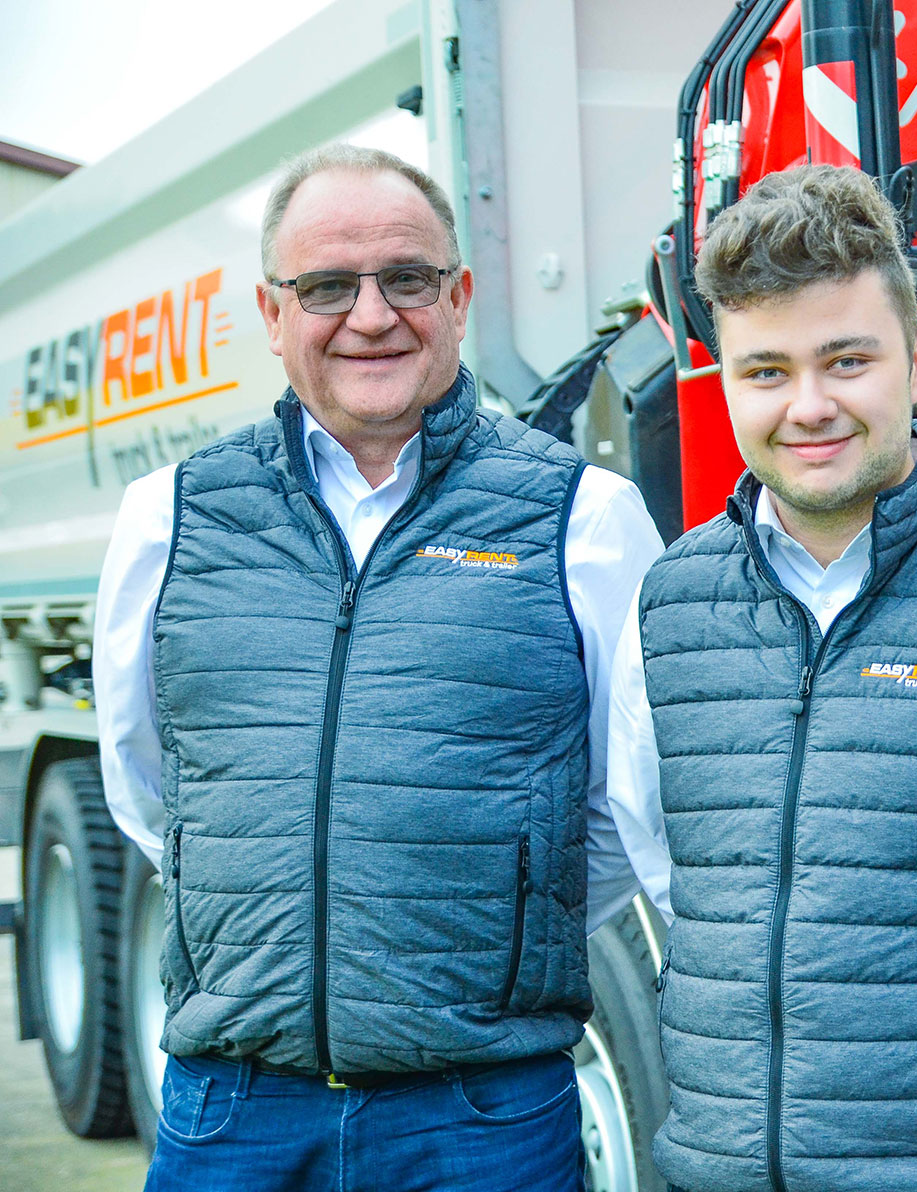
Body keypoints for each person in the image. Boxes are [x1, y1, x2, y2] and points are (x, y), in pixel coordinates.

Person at [94, 143, 663, 1191]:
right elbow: (146, 784)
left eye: (406, 278)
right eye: (326, 286)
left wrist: (496, 922)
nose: (370, 315)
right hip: (234, 1115)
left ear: (459, 298)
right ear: (272, 314)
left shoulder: (582, 519)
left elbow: (629, 807)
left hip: (485, 1117)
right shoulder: (168, 521)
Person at [606, 164, 917, 1192]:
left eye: (847, 360)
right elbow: (674, 875)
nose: (810, 405)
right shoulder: (668, 610)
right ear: (722, 375)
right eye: (767, 371)